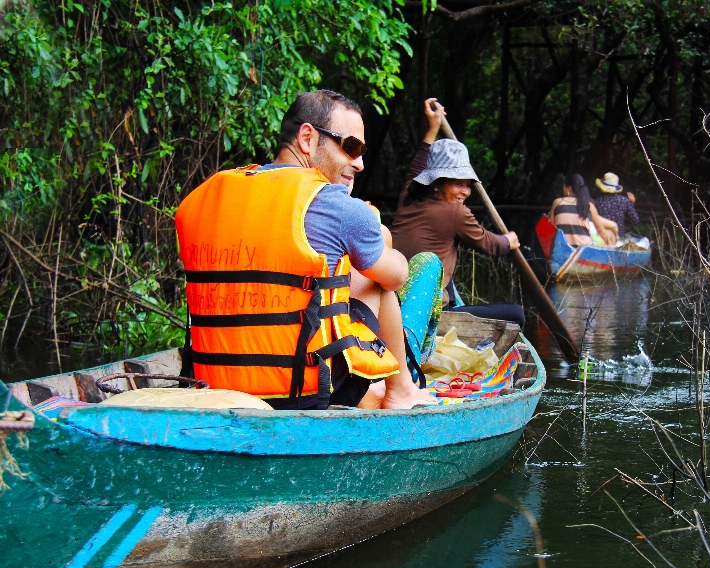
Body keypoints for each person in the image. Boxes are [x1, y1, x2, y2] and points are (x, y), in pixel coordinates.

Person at [176, 89, 434, 410]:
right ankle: (401, 392)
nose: (360, 163)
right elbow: (397, 275)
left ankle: (383, 391)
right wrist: (378, 233)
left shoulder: (207, 196)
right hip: (303, 391)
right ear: (308, 138)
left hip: (212, 382)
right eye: (351, 147)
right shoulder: (337, 203)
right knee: (378, 281)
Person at [391, 98, 525, 327]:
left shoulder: (408, 197)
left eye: (467, 184)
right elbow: (489, 244)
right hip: (427, 313)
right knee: (516, 313)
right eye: (457, 184)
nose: (465, 191)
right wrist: (508, 241)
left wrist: (433, 127)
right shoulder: (456, 213)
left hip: (394, 305)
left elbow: (417, 165)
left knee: (446, 281)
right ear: (437, 184)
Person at [548, 173, 618, 246]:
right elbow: (601, 230)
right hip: (584, 248)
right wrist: (610, 246)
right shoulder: (588, 205)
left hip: (561, 246)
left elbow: (551, 229)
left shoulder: (557, 202)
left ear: (569, 189)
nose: (563, 188)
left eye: (563, 186)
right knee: (610, 234)